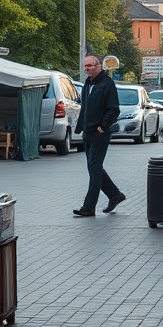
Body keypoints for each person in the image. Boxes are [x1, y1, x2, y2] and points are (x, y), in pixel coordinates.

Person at [73, 54, 125, 217]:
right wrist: (81, 127)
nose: (87, 68)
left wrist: (103, 126)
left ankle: (89, 206)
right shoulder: (88, 83)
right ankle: (115, 195)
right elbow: (85, 107)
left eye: (90, 65)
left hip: (99, 133)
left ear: (98, 66)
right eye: (85, 66)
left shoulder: (107, 83)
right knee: (93, 167)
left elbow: (114, 109)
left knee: (94, 168)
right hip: (88, 131)